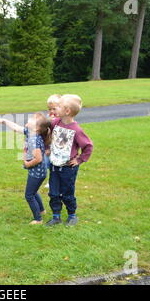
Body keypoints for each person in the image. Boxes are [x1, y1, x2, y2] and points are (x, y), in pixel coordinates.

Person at [0, 113, 52, 225]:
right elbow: (16, 128)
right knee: (33, 192)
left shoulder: (34, 140)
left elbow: (39, 159)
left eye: (33, 119)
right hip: (38, 172)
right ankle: (42, 210)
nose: (29, 118)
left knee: (29, 195)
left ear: (36, 128)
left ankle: (38, 219)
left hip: (37, 173)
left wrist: (27, 164)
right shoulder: (31, 133)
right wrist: (5, 121)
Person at [46, 95, 93, 227]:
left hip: (68, 168)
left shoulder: (76, 130)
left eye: (59, 106)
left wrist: (79, 159)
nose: (55, 108)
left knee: (67, 192)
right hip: (54, 165)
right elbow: (47, 131)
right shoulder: (56, 123)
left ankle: (72, 215)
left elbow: (88, 146)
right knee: (53, 192)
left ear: (67, 111)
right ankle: (56, 216)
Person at [44, 95, 61, 189]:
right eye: (49, 109)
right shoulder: (48, 118)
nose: (51, 111)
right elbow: (45, 133)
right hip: (49, 145)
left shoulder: (64, 119)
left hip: (59, 147)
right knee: (49, 165)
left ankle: (56, 182)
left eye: (54, 109)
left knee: (56, 165)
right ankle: (50, 181)